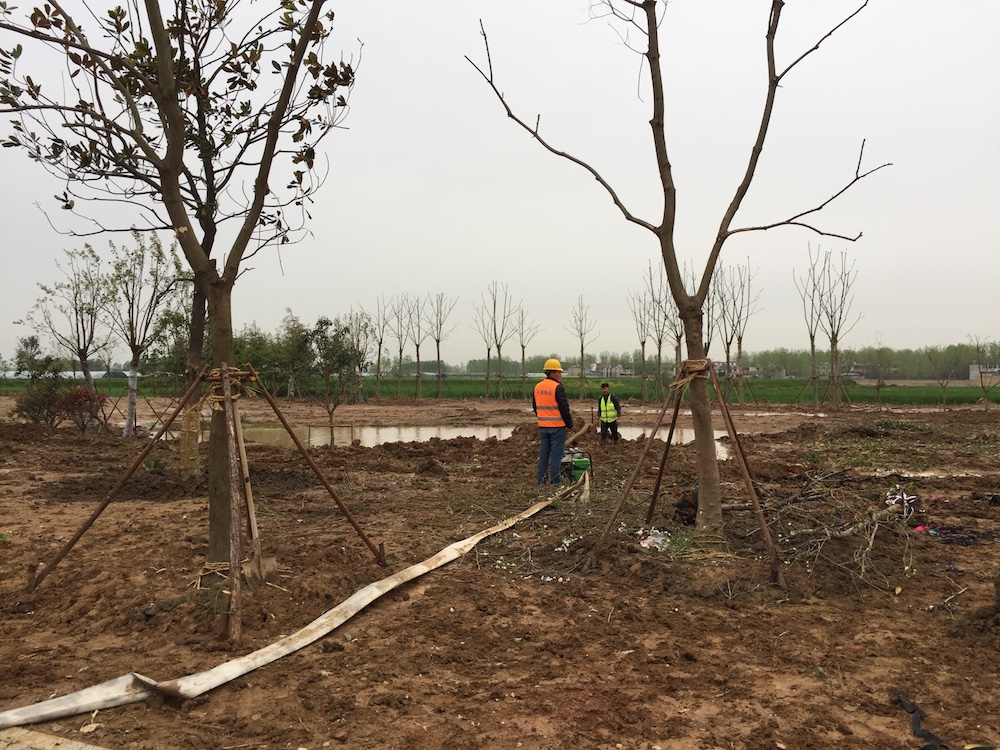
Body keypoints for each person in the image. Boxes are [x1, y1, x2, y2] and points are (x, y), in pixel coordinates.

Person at [533, 358, 574, 486]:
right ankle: (555, 481)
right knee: (556, 456)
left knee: (544, 455)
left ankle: (541, 481)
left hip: (543, 427)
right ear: (552, 373)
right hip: (557, 427)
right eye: (558, 372)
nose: (560, 375)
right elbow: (564, 408)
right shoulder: (557, 387)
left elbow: (535, 406)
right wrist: (570, 424)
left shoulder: (537, 387)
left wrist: (543, 418)